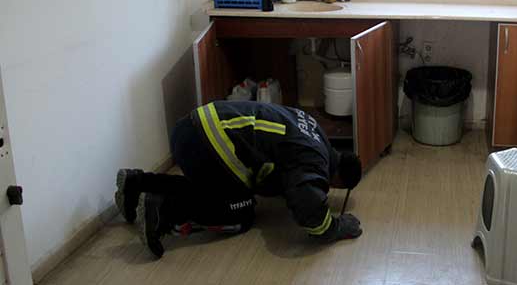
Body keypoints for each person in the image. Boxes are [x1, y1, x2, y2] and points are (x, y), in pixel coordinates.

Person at [114, 101, 363, 258]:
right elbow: (309, 206)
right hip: (206, 144)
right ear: (338, 181)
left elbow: (282, 168)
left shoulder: (314, 130)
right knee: (241, 212)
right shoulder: (316, 161)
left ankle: (136, 185)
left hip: (191, 128)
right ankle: (164, 212)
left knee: (216, 189)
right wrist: (335, 227)